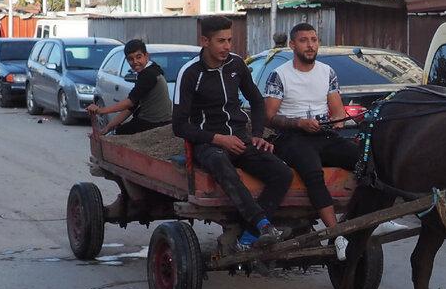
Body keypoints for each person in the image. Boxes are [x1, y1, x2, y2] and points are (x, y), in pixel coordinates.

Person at [173, 16, 292, 250]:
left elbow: (257, 103)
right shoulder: (189, 73)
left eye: (230, 40)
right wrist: (218, 139)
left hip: (241, 138)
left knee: (283, 173)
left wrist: (257, 134)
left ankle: (248, 237)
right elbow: (179, 126)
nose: (227, 46)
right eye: (221, 41)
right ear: (205, 41)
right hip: (208, 143)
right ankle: (263, 225)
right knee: (222, 165)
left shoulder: (237, 65)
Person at [264, 23, 361, 252]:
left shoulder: (327, 72)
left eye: (314, 40)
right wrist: (298, 123)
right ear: (292, 45)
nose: (310, 45)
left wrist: (338, 121)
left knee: (364, 161)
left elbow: (337, 111)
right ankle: (336, 236)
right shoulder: (280, 74)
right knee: (312, 172)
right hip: (291, 137)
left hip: (322, 133)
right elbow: (269, 117)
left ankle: (368, 219)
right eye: (304, 40)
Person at [86, 39, 171, 135]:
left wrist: (101, 110)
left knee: (116, 136)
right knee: (115, 131)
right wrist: (107, 128)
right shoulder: (153, 69)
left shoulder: (148, 75)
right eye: (131, 59)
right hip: (161, 122)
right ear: (127, 60)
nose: (135, 62)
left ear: (146, 56)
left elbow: (129, 103)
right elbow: (131, 107)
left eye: (138, 57)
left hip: (152, 123)